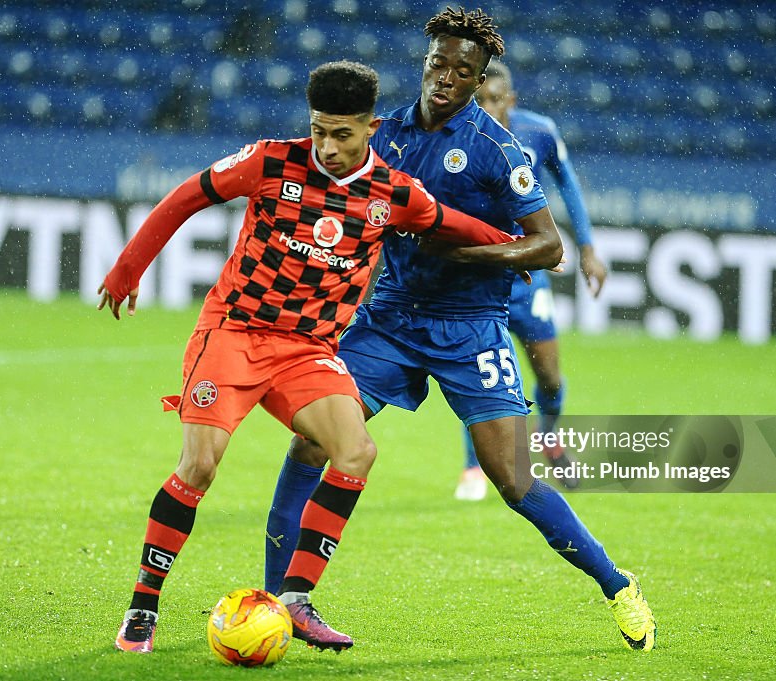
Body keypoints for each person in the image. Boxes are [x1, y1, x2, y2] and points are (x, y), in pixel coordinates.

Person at [101, 60, 531, 654]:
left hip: (306, 351)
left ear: (371, 128)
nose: (327, 147)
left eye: (342, 135)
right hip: (234, 333)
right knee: (200, 466)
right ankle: (144, 606)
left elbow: (452, 224)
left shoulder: (394, 194)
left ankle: (296, 600)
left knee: (356, 451)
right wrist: (128, 269)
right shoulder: (271, 161)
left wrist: (522, 248)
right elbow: (185, 197)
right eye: (319, 131)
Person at [263, 9, 656, 652]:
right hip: (389, 320)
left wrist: (471, 256)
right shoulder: (384, 134)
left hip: (470, 328)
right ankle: (283, 600)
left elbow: (546, 246)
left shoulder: (500, 151)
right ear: (425, 62)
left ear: (478, 81)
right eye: (438, 64)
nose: (446, 77)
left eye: (462, 71)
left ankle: (616, 583)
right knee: (312, 443)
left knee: (513, 480)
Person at [454, 60, 609, 501]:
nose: (486, 107)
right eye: (478, 99)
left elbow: (569, 185)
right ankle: (472, 468)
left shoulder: (537, 132)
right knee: (486, 377)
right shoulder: (457, 139)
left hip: (528, 282)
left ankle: (548, 435)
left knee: (551, 380)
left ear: (511, 100)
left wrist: (589, 249)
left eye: (494, 99)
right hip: (482, 281)